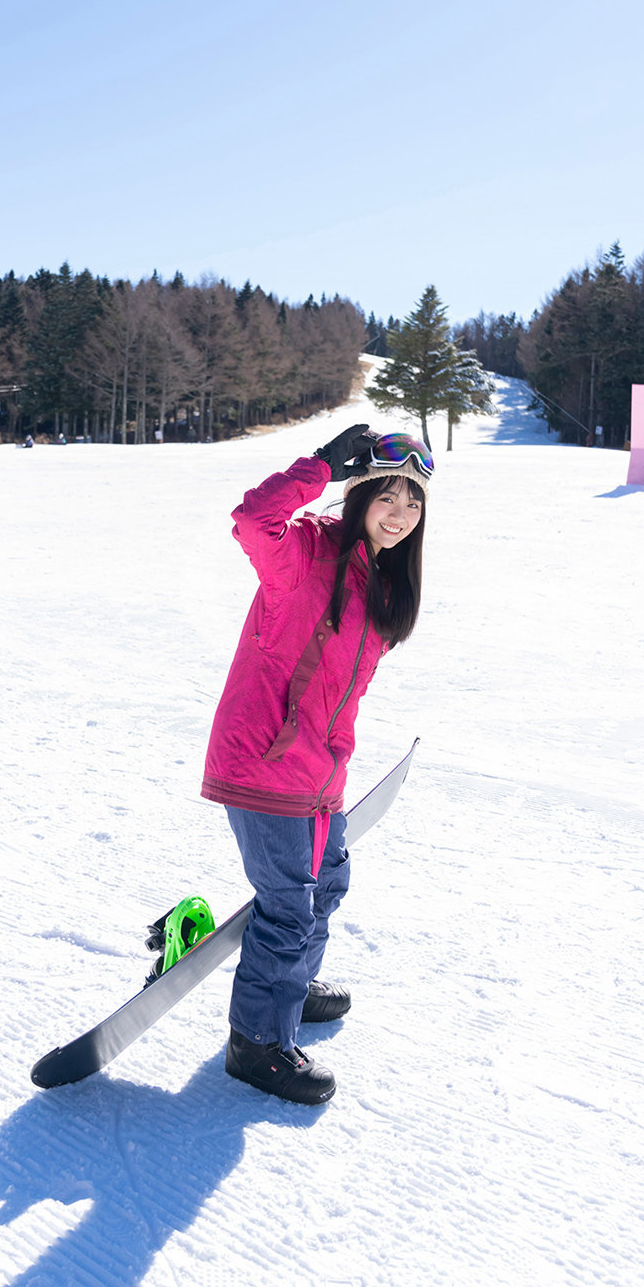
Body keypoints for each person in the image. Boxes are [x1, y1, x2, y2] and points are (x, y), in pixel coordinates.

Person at [201, 422, 431, 1104]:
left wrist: (334, 769)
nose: (399, 514)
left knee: (327, 883)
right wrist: (320, 468)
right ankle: (258, 1043)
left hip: (317, 772)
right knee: (287, 909)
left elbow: (338, 695)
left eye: (413, 503)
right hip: (261, 763)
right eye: (386, 497)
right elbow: (252, 519)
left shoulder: (379, 586)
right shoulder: (303, 552)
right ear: (359, 496)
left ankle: (289, 989)